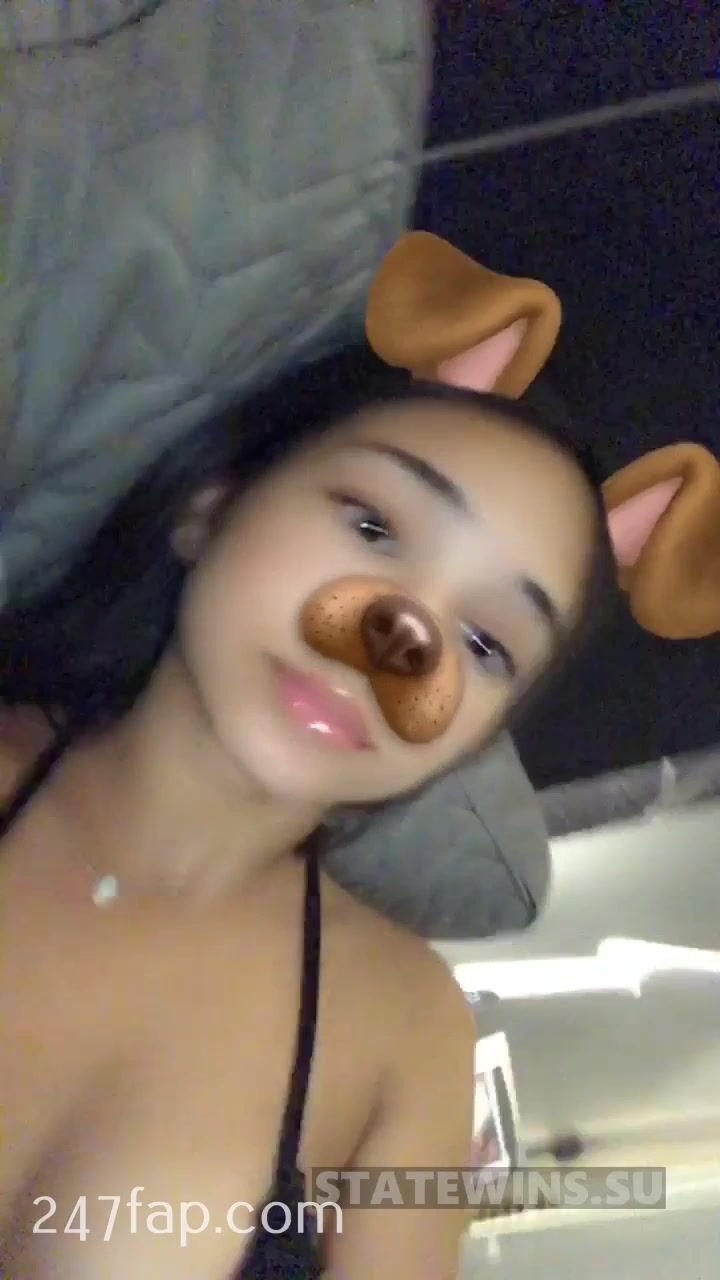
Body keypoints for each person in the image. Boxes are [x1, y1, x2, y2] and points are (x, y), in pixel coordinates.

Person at [0, 351, 611, 1278]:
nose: (402, 640)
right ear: (211, 505)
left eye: (487, 643)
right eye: (373, 526)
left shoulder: (410, 1030)